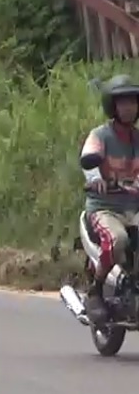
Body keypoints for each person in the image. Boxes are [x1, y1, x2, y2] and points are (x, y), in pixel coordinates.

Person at [81, 74, 139, 323]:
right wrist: (96, 178)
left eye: (133, 102)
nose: (128, 108)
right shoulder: (100, 135)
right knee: (118, 239)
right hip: (105, 208)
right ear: (113, 107)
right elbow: (89, 158)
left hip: (134, 206)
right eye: (122, 102)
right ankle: (95, 289)